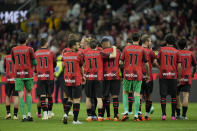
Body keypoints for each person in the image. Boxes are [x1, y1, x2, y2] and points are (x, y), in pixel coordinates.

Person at [84, 39, 117, 122]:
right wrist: (114, 48)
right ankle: (99, 116)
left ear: (89, 46)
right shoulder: (100, 53)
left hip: (88, 78)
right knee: (99, 98)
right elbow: (113, 56)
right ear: (97, 46)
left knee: (88, 98)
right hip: (98, 78)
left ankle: (89, 116)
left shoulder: (86, 53)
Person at [120, 32, 149, 121]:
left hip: (127, 74)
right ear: (139, 39)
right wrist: (147, 74)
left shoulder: (126, 49)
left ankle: (125, 112)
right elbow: (147, 64)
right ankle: (136, 115)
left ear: (132, 39)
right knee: (136, 94)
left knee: (125, 92)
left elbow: (121, 63)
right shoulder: (142, 49)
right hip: (138, 74)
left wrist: (122, 73)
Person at [11, 32, 37, 122]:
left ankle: (23, 116)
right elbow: (35, 63)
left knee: (20, 95)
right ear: (26, 40)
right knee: (29, 93)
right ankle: (29, 115)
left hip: (18, 75)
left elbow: (14, 61)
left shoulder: (13, 49)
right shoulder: (30, 49)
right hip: (28, 74)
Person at [156, 34, 182, 120]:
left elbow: (155, 61)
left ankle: (164, 115)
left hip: (163, 76)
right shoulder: (177, 51)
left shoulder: (161, 50)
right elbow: (179, 66)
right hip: (173, 76)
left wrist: (160, 68)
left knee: (163, 96)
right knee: (174, 96)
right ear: (174, 42)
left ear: (166, 41)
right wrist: (179, 77)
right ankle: (173, 115)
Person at [62, 39, 85, 125]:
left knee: (70, 99)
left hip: (67, 80)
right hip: (76, 79)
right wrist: (83, 76)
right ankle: (75, 120)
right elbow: (81, 66)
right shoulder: (79, 54)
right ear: (73, 46)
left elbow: (64, 65)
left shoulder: (65, 55)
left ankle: (65, 114)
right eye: (77, 44)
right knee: (77, 100)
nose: (78, 45)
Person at [35, 38, 56, 120]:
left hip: (40, 76)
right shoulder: (51, 52)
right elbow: (54, 64)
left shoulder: (36, 53)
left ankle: (45, 114)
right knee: (50, 95)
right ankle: (50, 113)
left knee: (42, 96)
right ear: (46, 43)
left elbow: (35, 65)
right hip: (49, 76)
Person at [176, 38, 197, 120]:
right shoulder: (190, 53)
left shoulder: (177, 53)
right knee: (186, 96)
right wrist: (193, 73)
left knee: (177, 96)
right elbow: (195, 65)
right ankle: (184, 115)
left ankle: (178, 115)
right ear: (186, 45)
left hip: (178, 77)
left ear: (178, 45)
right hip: (187, 77)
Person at [101, 38, 121, 121]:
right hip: (115, 76)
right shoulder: (118, 51)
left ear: (103, 44)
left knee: (106, 96)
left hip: (105, 77)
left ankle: (108, 115)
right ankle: (116, 116)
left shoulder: (102, 52)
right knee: (115, 96)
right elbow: (121, 63)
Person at [139, 35, 156, 120]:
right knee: (149, 95)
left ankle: (139, 114)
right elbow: (154, 62)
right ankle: (146, 115)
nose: (151, 43)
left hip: (139, 76)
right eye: (150, 41)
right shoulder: (150, 51)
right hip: (149, 76)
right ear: (146, 42)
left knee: (139, 95)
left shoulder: (138, 50)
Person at [3, 46, 19, 120]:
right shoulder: (18, 57)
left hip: (8, 79)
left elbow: (4, 67)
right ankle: (15, 115)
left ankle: (8, 113)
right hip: (16, 79)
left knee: (7, 96)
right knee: (16, 97)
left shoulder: (6, 57)